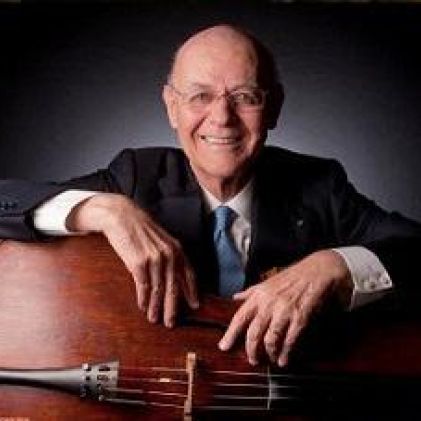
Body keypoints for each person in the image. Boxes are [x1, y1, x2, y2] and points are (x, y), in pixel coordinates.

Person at [0, 24, 420, 368]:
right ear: (171, 107)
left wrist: (335, 266)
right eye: (200, 96)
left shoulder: (318, 186)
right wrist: (103, 208)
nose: (222, 117)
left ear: (274, 108)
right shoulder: (135, 177)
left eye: (245, 98)